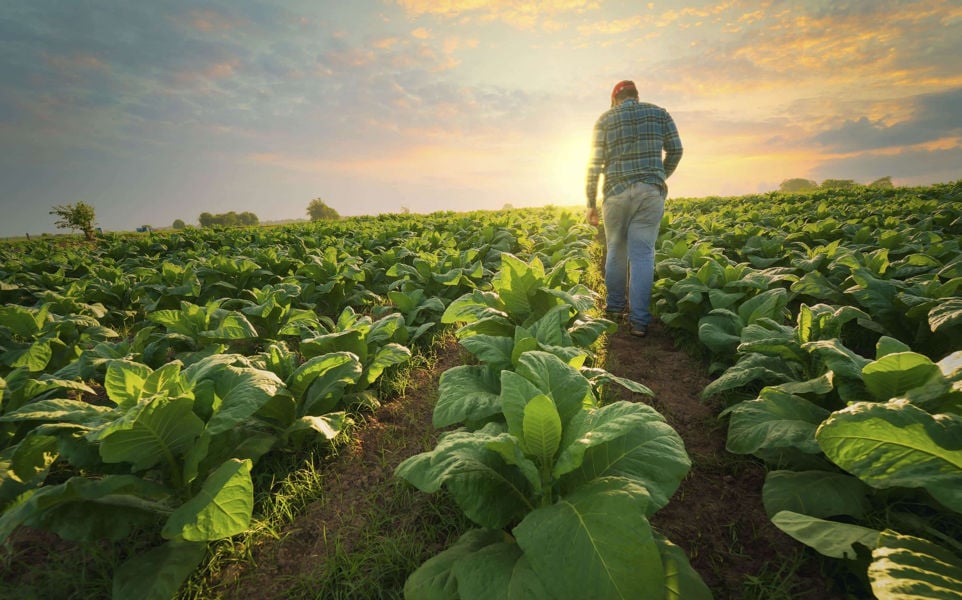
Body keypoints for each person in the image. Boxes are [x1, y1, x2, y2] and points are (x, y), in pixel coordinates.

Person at [585, 80, 683, 338]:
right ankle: (639, 322)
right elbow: (676, 150)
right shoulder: (659, 113)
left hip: (615, 193)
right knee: (642, 255)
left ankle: (615, 310)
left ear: (615, 99)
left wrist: (590, 203)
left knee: (616, 251)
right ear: (636, 96)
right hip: (649, 192)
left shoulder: (605, 119)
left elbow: (594, 165)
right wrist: (659, 176)